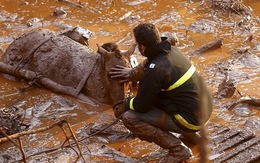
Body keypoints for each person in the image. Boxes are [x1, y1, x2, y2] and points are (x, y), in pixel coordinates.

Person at [109, 23, 212, 162]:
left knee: (129, 117)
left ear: (142, 47)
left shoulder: (155, 70)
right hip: (204, 109)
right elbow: (147, 64)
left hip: (190, 120)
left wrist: (126, 102)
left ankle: (178, 150)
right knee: (169, 96)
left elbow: (141, 106)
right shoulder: (171, 51)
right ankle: (191, 136)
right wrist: (131, 73)